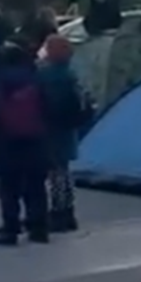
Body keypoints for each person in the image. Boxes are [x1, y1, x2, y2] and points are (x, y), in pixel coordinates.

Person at [0, 39, 52, 246]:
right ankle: (38, 227)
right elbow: (48, 110)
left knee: (8, 188)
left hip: (6, 142)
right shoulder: (36, 81)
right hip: (35, 141)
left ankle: (10, 228)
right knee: (36, 186)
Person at [39, 34, 90, 233]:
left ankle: (57, 211)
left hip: (51, 127)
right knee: (65, 170)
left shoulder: (45, 75)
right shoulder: (72, 74)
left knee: (55, 172)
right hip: (69, 127)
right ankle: (68, 211)